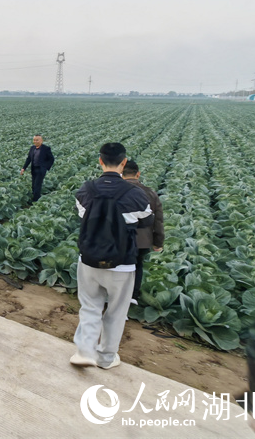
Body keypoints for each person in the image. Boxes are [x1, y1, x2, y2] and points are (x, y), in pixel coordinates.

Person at [70, 142, 152, 370]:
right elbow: (146, 222)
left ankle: (85, 350)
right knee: (116, 312)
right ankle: (106, 358)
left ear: (100, 161)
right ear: (124, 163)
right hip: (123, 263)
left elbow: (82, 216)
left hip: (89, 260)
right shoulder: (136, 195)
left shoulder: (85, 190)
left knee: (89, 305)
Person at [121, 160, 165, 303]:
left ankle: (114, 297)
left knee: (117, 266)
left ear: (121, 174)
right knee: (137, 266)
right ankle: (132, 296)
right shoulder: (150, 193)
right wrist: (158, 242)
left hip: (119, 238)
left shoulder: (116, 190)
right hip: (142, 240)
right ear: (138, 174)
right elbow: (158, 220)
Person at [20, 134, 55, 202]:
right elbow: (29, 159)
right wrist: (24, 168)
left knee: (37, 185)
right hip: (34, 169)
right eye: (34, 140)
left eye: (37, 140)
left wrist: (46, 167)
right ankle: (36, 197)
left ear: (41, 141)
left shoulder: (46, 148)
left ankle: (36, 200)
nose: (35, 141)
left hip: (41, 169)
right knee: (33, 185)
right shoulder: (32, 148)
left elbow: (51, 159)